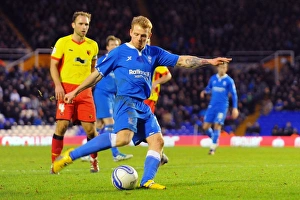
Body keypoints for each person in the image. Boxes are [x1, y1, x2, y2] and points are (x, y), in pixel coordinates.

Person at [53, 15, 231, 189]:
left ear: (149, 36)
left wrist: (209, 61)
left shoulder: (155, 53)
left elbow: (183, 60)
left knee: (158, 141)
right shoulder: (119, 52)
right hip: (125, 101)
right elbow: (96, 75)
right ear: (130, 32)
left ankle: (147, 181)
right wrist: (76, 91)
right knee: (124, 138)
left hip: (142, 105)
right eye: (136, 34)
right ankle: (71, 155)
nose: (139, 38)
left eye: (143, 35)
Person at [49, 11, 99, 174]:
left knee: (91, 130)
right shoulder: (62, 42)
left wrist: (90, 86)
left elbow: (93, 69)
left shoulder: (93, 45)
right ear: (73, 25)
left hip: (84, 92)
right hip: (65, 90)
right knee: (62, 126)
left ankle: (93, 160)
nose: (84, 27)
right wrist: (57, 85)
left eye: (86, 24)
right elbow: (53, 65)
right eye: (81, 24)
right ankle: (55, 163)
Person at [91, 35, 133, 161]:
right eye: (112, 45)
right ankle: (115, 154)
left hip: (112, 96)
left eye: (116, 45)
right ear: (107, 47)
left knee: (99, 124)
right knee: (111, 123)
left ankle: (89, 152)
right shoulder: (103, 60)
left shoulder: (121, 62)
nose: (114, 47)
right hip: (102, 94)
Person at [144, 39, 172, 165]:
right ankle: (159, 153)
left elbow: (168, 75)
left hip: (149, 98)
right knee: (140, 128)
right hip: (136, 96)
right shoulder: (134, 55)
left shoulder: (154, 57)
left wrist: (155, 83)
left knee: (143, 127)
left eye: (147, 39)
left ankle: (158, 153)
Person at [200, 62, 239, 155]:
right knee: (205, 127)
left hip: (222, 106)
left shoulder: (229, 80)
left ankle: (212, 148)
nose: (222, 69)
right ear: (218, 68)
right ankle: (214, 138)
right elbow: (208, 88)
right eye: (221, 67)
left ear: (226, 69)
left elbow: (234, 95)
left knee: (217, 124)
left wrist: (235, 108)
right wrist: (204, 92)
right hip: (212, 106)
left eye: (224, 67)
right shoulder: (213, 78)